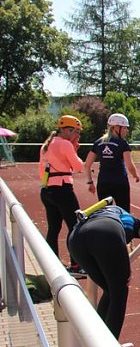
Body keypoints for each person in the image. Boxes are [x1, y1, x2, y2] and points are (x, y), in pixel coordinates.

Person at [67, 200, 140, 340]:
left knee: (110, 290)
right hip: (107, 230)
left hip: (75, 239)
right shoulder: (134, 223)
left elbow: (92, 283)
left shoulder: (101, 212)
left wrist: (92, 313)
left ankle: (97, 342)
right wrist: (129, 258)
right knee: (120, 293)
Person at [39, 115, 85, 273]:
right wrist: (74, 149)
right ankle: (76, 265)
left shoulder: (47, 144)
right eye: (76, 132)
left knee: (54, 228)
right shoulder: (65, 144)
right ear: (68, 130)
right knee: (75, 226)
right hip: (62, 189)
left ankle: (51, 264)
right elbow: (79, 167)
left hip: (47, 190)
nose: (77, 136)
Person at [84, 113, 140, 212]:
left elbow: (87, 165)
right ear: (116, 128)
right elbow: (129, 165)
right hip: (120, 183)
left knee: (104, 213)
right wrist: (135, 175)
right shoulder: (123, 144)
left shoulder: (98, 143)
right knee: (124, 213)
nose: (126, 131)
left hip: (103, 182)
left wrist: (90, 182)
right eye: (124, 128)